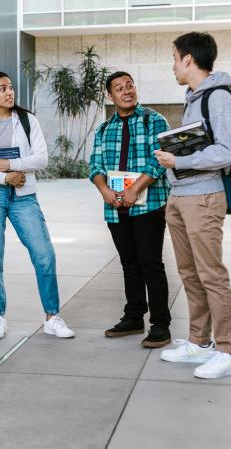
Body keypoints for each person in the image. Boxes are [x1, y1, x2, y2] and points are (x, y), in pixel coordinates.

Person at [155, 32, 231, 379]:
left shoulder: (219, 97)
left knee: (211, 275)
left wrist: (179, 162)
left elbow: (227, 151)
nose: (173, 66)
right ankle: (199, 341)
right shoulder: (194, 97)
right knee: (190, 274)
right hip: (181, 195)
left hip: (204, 196)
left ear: (189, 59)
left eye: (175, 58)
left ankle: (227, 350)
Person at [0, 71, 75, 341]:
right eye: (3, 88)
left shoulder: (27, 120)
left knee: (44, 254)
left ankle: (52, 318)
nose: (10, 92)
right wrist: (4, 177)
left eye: (10, 87)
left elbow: (42, 158)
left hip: (24, 195)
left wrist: (12, 165)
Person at [88, 71, 172, 349]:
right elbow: (95, 165)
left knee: (151, 264)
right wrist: (104, 190)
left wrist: (135, 188)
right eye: (119, 88)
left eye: (130, 86)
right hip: (115, 207)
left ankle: (160, 325)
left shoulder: (153, 120)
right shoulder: (103, 129)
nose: (127, 91)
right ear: (110, 96)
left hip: (148, 204)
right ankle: (134, 317)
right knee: (129, 263)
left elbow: (159, 161)